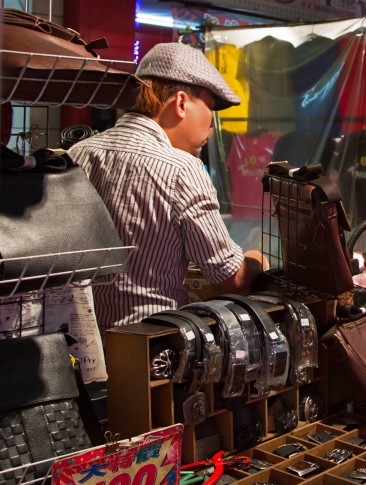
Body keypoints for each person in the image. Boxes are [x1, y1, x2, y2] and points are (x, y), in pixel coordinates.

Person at [69, 42, 268, 329]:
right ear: (181, 102)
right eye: (211, 108)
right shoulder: (182, 168)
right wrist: (256, 259)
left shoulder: (79, 153)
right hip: (153, 346)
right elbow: (229, 277)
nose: (212, 125)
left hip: (82, 344)